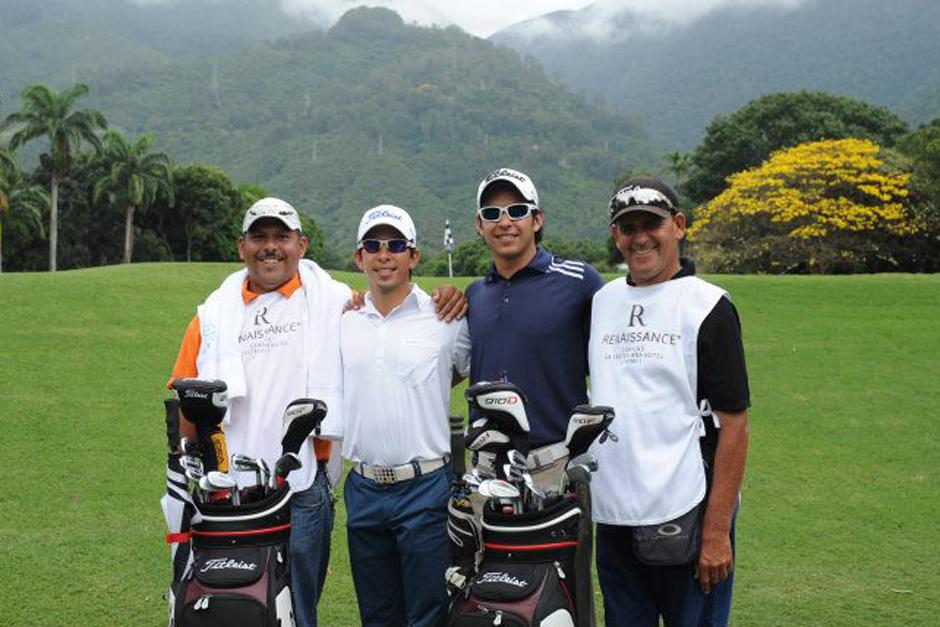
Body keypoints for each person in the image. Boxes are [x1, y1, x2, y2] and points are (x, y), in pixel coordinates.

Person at [167, 197, 465, 627]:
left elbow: (433, 367)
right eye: (259, 237)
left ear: (301, 245)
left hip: (305, 486)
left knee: (299, 610)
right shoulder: (213, 314)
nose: (271, 247)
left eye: (281, 237)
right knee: (234, 607)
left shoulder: (337, 302)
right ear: (241, 246)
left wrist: (452, 295)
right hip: (228, 490)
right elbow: (186, 397)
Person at [588, 176, 750, 626]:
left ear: (678, 225)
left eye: (652, 223)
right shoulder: (602, 302)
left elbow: (734, 425)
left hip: (688, 508)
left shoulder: (707, 306)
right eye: (627, 226)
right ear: (616, 235)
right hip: (617, 513)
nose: (640, 237)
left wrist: (717, 534)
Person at [339, 204, 471, 627]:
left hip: (425, 488)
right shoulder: (345, 320)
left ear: (413, 256)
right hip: (363, 487)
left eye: (396, 245)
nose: (384, 254)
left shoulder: (447, 318)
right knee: (377, 616)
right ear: (359, 258)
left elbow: (459, 372)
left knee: (428, 614)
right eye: (373, 246)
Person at [466, 167, 604, 482]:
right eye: (492, 214)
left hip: (555, 463)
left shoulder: (578, 281)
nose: (504, 223)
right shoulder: (474, 295)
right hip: (488, 466)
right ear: (479, 225)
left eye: (517, 211)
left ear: (536, 219)